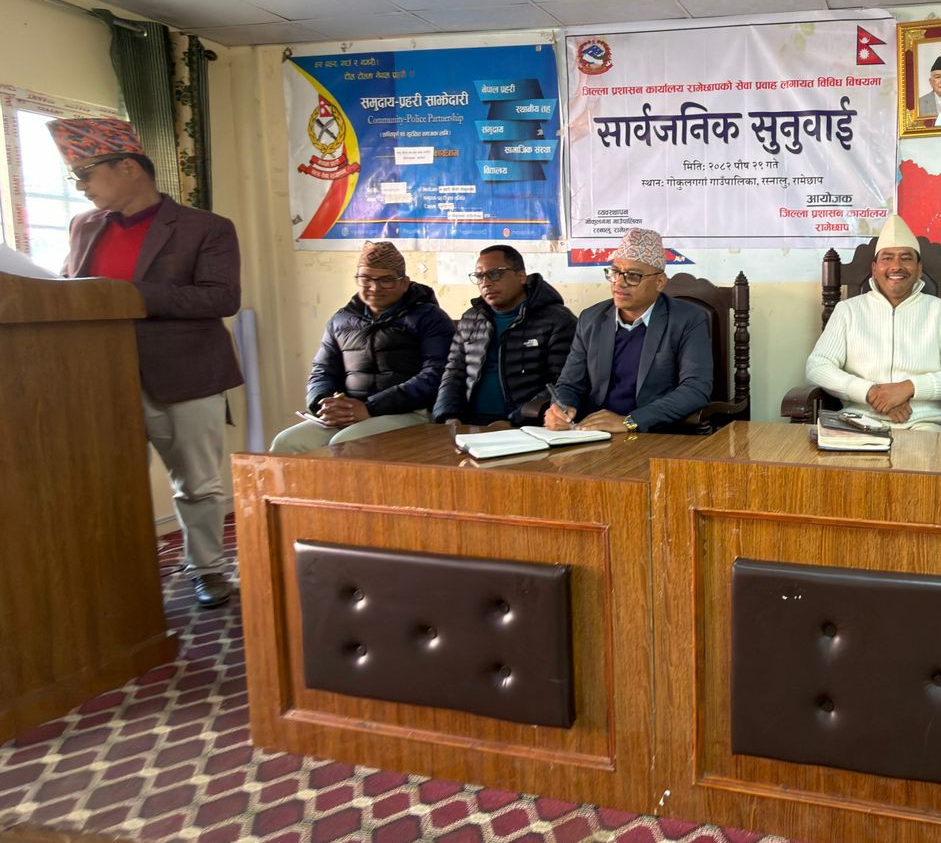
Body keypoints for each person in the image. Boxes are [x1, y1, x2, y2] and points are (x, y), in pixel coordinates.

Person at [55, 118, 242, 609]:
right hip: (103, 376)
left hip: (186, 374)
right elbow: (69, 288)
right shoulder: (83, 227)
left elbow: (221, 298)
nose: (81, 187)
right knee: (111, 484)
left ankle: (207, 569)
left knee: (196, 483)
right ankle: (125, 573)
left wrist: (123, 295)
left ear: (128, 167)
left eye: (86, 174)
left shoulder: (207, 227)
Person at [269, 242, 454, 453]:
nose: (374, 288)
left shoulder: (430, 318)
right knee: (286, 443)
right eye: (366, 279)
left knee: (347, 443)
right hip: (351, 412)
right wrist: (324, 402)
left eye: (385, 280)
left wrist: (370, 407)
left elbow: (436, 374)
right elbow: (322, 371)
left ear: (404, 283)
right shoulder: (341, 320)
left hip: (410, 412)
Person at [804, 215, 941, 431]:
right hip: (858, 423)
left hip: (922, 424)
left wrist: (909, 388)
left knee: (926, 452)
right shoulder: (848, 310)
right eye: (887, 258)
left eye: (906, 258)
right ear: (874, 268)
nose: (896, 266)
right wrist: (870, 393)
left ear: (919, 269)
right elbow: (818, 366)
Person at [544, 227, 712, 434]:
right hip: (592, 433)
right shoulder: (591, 319)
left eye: (633, 276)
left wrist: (631, 422)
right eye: (615, 273)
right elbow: (570, 383)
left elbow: (695, 389)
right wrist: (562, 408)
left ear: (659, 282)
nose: (619, 283)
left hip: (654, 435)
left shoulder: (687, 319)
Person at [432, 244, 576, 427]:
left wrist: (514, 421)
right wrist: (448, 416)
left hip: (528, 425)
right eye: (479, 276)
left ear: (521, 276)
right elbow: (453, 373)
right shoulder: (471, 319)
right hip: (469, 423)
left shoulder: (557, 320)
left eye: (495, 273)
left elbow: (563, 383)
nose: (486, 283)